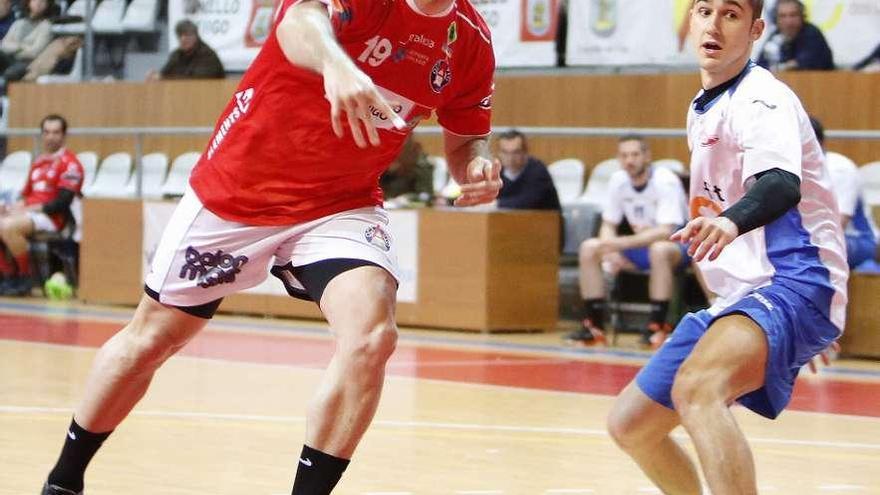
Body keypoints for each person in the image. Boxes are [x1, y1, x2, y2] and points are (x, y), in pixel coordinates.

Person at [39, 0, 498, 493]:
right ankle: (64, 481)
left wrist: (476, 167)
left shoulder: (469, 41)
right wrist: (337, 66)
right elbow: (298, 20)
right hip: (240, 191)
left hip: (341, 202)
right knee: (154, 337)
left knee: (371, 337)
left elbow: (466, 142)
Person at [607, 1, 848, 494]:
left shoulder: (762, 98)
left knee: (697, 391)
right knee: (631, 425)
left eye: (732, 14)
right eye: (704, 11)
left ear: (756, 29)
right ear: (690, 22)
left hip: (795, 279)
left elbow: (781, 185)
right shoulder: (704, 106)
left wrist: (731, 222)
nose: (714, 24)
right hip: (744, 296)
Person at [566, 135, 688, 349]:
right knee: (589, 248)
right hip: (637, 247)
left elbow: (666, 231)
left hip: (677, 246)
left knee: (659, 250)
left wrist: (620, 244)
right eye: (624, 155)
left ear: (647, 156)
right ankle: (594, 325)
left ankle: (657, 326)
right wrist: (609, 247)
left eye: (635, 154)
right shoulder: (618, 180)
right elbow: (608, 223)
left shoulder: (664, 180)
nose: (629, 160)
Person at [0, 114, 83, 296]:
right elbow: (26, 196)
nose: (51, 136)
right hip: (31, 213)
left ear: (64, 135)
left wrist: (27, 209)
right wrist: (10, 207)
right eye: (47, 132)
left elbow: (61, 203)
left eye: (56, 132)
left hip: (53, 218)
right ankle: (6, 275)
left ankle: (25, 278)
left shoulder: (71, 164)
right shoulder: (39, 162)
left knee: (7, 226)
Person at [810, 117, 878, 270]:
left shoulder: (839, 169)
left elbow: (839, 223)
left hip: (856, 239)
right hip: (814, 237)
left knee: (810, 251)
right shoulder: (789, 170)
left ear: (817, 144)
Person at [756, 0, 833, 71]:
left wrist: (782, 67)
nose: (788, 21)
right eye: (783, 16)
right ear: (776, 19)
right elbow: (760, 66)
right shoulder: (775, 36)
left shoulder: (812, 33)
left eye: (793, 15)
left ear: (802, 16)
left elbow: (805, 63)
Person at [495, 129, 561, 211]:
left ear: (525, 152)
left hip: (542, 221)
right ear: (499, 153)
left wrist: (496, 204)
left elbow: (528, 202)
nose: (510, 158)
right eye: (505, 152)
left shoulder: (538, 171)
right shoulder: (497, 172)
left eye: (516, 152)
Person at [146, 19, 225, 80]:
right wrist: (155, 76)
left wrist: (162, 78)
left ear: (196, 36)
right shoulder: (176, 55)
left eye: (187, 35)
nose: (183, 39)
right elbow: (164, 74)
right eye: (180, 35)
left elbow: (197, 81)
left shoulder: (208, 55)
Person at [0, 0, 53, 82]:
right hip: (9, 59)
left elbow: (34, 52)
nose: (38, 3)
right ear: (29, 2)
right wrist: (21, 47)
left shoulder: (46, 26)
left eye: (43, 1)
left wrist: (14, 48)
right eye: (35, 0)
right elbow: (3, 45)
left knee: (12, 71)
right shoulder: (19, 23)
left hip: (27, 63)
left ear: (47, 5)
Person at [380, 134, 434, 206]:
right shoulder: (380, 159)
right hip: (382, 204)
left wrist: (405, 199)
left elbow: (425, 195)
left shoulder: (422, 163)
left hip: (410, 207)